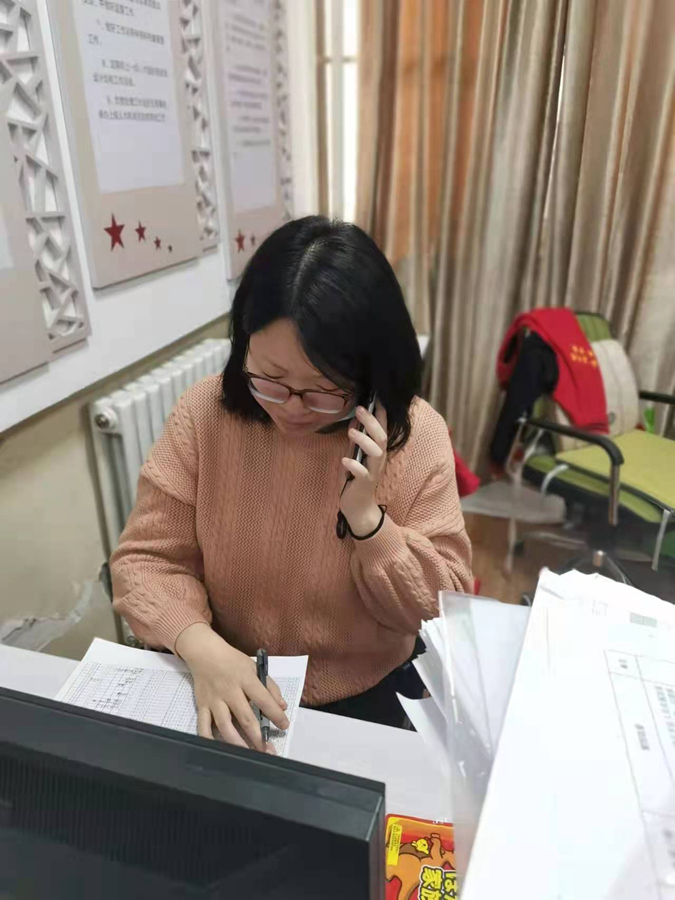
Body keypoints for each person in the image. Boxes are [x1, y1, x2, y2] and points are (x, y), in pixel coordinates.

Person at [111, 216, 472, 751]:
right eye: (271, 380)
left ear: (371, 378)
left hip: (361, 697)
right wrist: (200, 645)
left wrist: (369, 523)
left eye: (323, 390)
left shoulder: (416, 437)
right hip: (223, 673)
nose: (292, 409)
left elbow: (441, 609)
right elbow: (145, 561)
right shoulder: (205, 414)